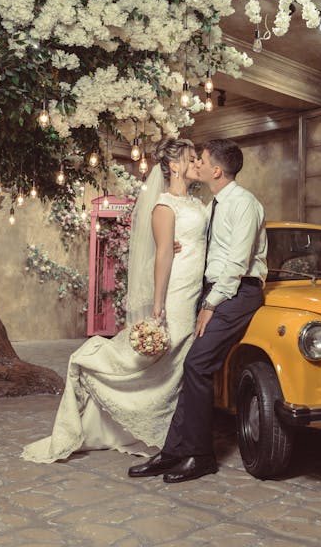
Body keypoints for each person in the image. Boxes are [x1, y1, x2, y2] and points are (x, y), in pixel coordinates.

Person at [22, 138, 207, 463]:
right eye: (190, 159)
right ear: (175, 166)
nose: (196, 163)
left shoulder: (197, 204)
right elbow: (163, 254)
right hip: (176, 289)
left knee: (178, 360)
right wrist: (158, 305)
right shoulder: (164, 206)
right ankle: (92, 365)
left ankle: (168, 429)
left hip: (196, 289)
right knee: (163, 352)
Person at [128, 138, 267, 483]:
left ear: (216, 170)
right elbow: (200, 241)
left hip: (238, 292)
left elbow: (237, 263)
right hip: (215, 291)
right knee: (194, 366)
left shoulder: (243, 204)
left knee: (196, 363)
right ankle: (175, 450)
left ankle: (201, 456)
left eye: (201, 160)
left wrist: (210, 303)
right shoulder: (212, 205)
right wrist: (175, 243)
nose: (197, 164)